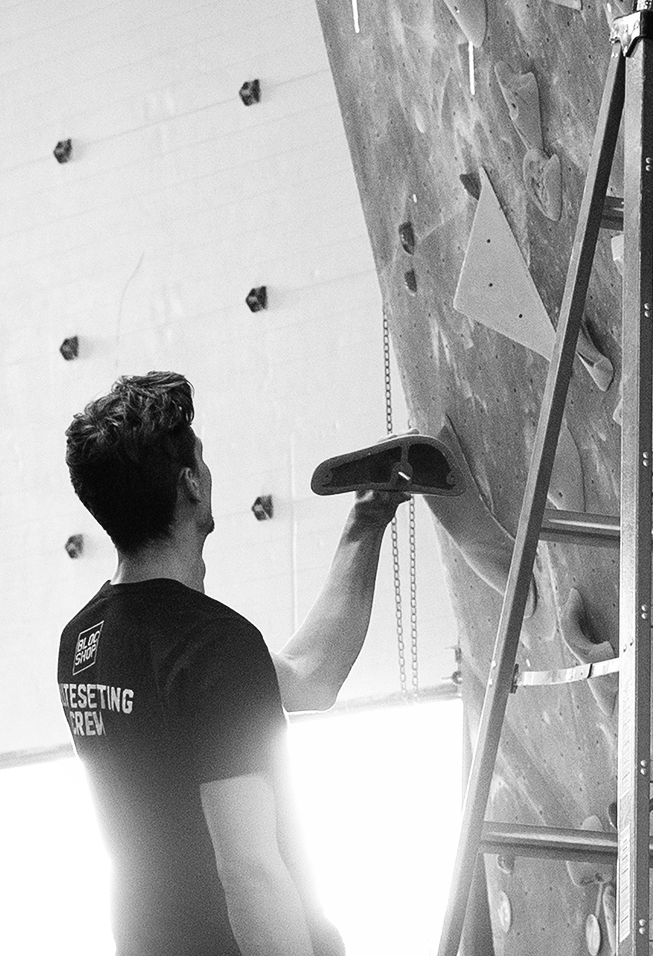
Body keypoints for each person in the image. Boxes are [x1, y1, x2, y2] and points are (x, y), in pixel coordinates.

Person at [55, 372, 400, 956]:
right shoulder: (211, 645)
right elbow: (248, 869)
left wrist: (368, 521)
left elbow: (307, 679)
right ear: (191, 484)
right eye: (203, 459)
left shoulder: (82, 641)